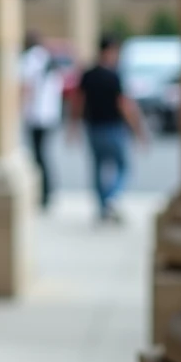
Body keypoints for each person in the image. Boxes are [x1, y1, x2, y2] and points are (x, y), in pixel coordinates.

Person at [70, 34, 149, 222]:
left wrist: (73, 126)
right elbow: (124, 105)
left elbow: (78, 103)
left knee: (97, 167)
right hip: (112, 127)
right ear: (110, 51)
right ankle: (112, 197)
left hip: (93, 128)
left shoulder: (88, 74)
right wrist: (138, 130)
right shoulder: (114, 76)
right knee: (122, 166)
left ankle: (103, 206)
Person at [20, 31, 65, 209]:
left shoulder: (31, 59)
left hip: (36, 115)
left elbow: (26, 87)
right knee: (43, 154)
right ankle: (47, 191)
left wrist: (19, 108)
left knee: (38, 156)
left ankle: (44, 192)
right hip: (49, 115)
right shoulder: (47, 59)